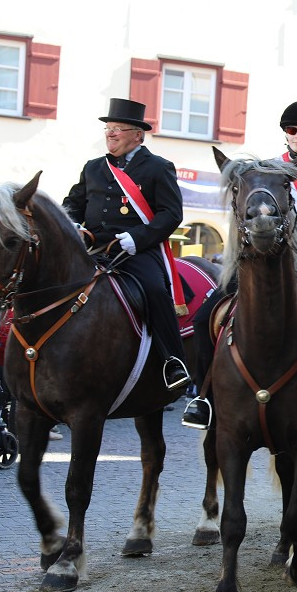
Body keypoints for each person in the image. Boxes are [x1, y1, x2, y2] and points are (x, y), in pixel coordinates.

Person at [183, 100, 297, 430]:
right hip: (260, 264)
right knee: (202, 318)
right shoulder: (264, 171)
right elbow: (244, 216)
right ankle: (202, 395)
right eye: (291, 130)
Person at [64, 98, 190, 395]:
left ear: (138, 135)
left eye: (118, 129)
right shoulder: (93, 168)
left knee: (156, 290)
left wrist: (138, 238)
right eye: (108, 129)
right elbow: (73, 204)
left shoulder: (158, 168)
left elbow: (171, 214)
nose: (110, 134)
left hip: (135, 250)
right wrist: (75, 227)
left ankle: (173, 361)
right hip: (94, 249)